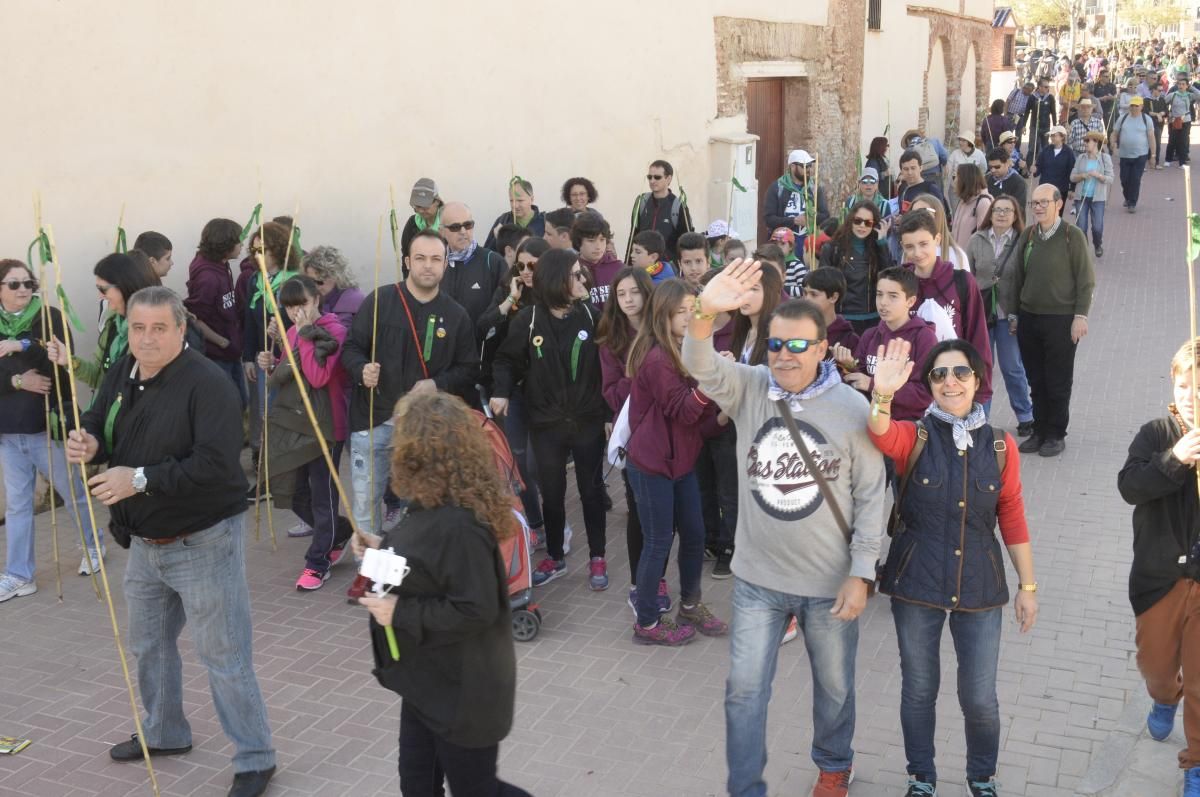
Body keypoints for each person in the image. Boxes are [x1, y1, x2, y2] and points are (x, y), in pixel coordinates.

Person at [683, 262, 885, 797]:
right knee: (744, 693)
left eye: (798, 347)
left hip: (829, 585)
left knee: (835, 689)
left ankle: (834, 765)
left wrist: (862, 572)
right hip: (756, 582)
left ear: (822, 349)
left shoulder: (850, 408)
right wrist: (705, 311)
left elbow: (870, 496)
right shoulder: (751, 387)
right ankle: (745, 786)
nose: (783, 357)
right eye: (775, 346)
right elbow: (699, 365)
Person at [65, 287, 276, 797]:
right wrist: (89, 441)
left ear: (182, 330)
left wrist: (135, 479)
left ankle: (256, 757)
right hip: (145, 541)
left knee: (224, 654)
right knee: (148, 645)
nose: (147, 338)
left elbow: (214, 466)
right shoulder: (124, 368)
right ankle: (164, 733)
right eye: (138, 328)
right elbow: (97, 418)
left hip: (203, 540)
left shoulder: (208, 385)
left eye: (160, 328)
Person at [868, 337, 1037, 797]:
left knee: (979, 698)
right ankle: (921, 778)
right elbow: (880, 432)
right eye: (939, 374)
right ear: (928, 386)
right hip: (916, 582)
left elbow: (1012, 513)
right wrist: (882, 393)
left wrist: (1029, 585)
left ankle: (982, 778)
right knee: (919, 690)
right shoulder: (914, 435)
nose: (950, 382)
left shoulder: (1001, 445)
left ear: (978, 380)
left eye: (961, 372)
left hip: (981, 586)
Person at [354, 391, 532, 797]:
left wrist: (398, 612)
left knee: (477, 790)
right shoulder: (430, 503)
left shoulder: (460, 524)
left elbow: (476, 608)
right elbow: (423, 568)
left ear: (423, 452)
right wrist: (377, 551)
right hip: (426, 682)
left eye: (402, 440)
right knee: (417, 782)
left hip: (463, 693)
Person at [340, 230, 480, 599]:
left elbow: (469, 368)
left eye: (436, 259)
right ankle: (370, 575)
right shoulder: (380, 301)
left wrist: (437, 383)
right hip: (372, 419)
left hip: (424, 429)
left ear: (445, 263)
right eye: (421, 258)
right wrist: (361, 369)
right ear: (407, 261)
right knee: (367, 501)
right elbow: (351, 348)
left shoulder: (456, 314)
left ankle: (405, 573)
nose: (428, 266)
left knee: (416, 506)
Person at [490, 249, 608, 590]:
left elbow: (612, 363)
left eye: (581, 273)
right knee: (553, 493)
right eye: (574, 274)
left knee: (592, 490)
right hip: (545, 424)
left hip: (587, 421)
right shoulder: (527, 319)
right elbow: (506, 361)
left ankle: (597, 556)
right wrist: (501, 391)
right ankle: (555, 556)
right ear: (557, 279)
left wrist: (610, 414)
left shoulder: (590, 314)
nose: (581, 279)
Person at [625, 278, 728, 644]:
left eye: (693, 309)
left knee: (695, 534)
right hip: (652, 465)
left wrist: (718, 388)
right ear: (663, 314)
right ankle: (648, 622)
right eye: (680, 310)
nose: (687, 316)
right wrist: (709, 383)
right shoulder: (656, 358)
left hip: (681, 462)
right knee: (657, 541)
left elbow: (698, 421)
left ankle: (690, 604)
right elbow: (685, 412)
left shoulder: (690, 350)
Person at [1117, 338, 1200, 797]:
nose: (1190, 394)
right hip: (1159, 581)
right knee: (1157, 666)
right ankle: (1165, 697)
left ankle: (1195, 766)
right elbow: (1130, 487)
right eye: (1183, 384)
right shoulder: (1155, 434)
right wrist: (1176, 460)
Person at [0, 259, 105, 597]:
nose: (23, 290)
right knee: (17, 505)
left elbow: (60, 366)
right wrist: (17, 379)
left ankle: (93, 546)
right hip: (7, 430)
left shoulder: (48, 318)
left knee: (71, 491)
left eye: (28, 283)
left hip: (46, 426)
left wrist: (24, 346)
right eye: (13, 284)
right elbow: (20, 377)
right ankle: (20, 575)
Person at [256, 275, 351, 590]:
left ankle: (318, 562)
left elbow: (317, 376)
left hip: (327, 426)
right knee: (293, 490)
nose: (297, 313)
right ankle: (338, 531)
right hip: (296, 425)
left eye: (303, 305)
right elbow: (289, 375)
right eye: (290, 308)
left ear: (317, 300)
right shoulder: (293, 331)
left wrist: (306, 335)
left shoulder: (334, 330)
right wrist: (271, 365)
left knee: (322, 494)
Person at [1007, 184, 1095, 458]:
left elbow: (1086, 280)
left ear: (1058, 204)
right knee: (1036, 378)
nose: (1038, 207)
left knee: (1057, 380)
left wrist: (1080, 316)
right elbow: (1017, 276)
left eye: (1044, 202)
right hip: (1029, 318)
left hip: (1061, 320)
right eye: (1034, 203)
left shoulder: (1072, 235)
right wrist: (1013, 313)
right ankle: (1040, 430)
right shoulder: (1029, 235)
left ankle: (1056, 434)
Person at [597, 266, 667, 612]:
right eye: (620, 294)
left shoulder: (663, 330)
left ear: (646, 292)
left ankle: (659, 577)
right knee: (639, 509)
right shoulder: (612, 340)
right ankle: (641, 584)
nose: (627, 300)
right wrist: (638, 375)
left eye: (633, 292)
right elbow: (611, 395)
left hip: (670, 429)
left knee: (668, 514)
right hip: (636, 433)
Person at [477, 237, 549, 544]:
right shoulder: (510, 289)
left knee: (539, 463)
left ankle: (556, 522)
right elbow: (483, 327)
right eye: (521, 265)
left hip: (547, 391)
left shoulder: (555, 293)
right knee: (518, 461)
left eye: (533, 264)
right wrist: (509, 300)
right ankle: (536, 524)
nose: (527, 271)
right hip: (512, 388)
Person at [897, 209, 993, 404]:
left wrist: (981, 393)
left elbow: (978, 337)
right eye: (910, 246)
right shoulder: (898, 284)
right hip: (910, 393)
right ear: (902, 247)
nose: (917, 253)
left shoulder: (961, 281)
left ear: (938, 239)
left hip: (953, 388)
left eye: (923, 244)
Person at [965, 196, 1035, 436]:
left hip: (1009, 316)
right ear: (990, 214)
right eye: (997, 210)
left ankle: (1026, 415)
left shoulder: (1023, 241)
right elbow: (968, 277)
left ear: (1016, 216)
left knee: (1012, 367)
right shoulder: (976, 239)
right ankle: (981, 419)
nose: (1002, 214)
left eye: (1007, 210)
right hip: (982, 315)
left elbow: (1028, 277)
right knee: (982, 368)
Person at [834, 267, 937, 423]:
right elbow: (859, 380)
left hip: (905, 426)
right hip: (868, 419)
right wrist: (849, 367)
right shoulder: (870, 335)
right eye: (879, 294)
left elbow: (924, 394)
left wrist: (874, 385)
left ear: (910, 301)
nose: (883, 303)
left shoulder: (924, 337)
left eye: (893, 296)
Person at [183, 218, 244, 394]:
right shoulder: (208, 278)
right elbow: (196, 317)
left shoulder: (220, 263)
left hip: (230, 349)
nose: (242, 246)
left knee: (241, 401)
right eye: (238, 242)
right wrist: (223, 342)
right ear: (225, 245)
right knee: (230, 401)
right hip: (218, 354)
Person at [818, 200, 892, 334]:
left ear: (874, 224)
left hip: (873, 318)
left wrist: (882, 242)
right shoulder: (832, 248)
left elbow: (889, 276)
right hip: (842, 318)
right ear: (850, 220)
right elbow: (823, 284)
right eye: (858, 221)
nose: (862, 226)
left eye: (868, 222)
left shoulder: (878, 247)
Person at [439, 202, 508, 336]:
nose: (463, 231)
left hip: (481, 350)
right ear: (441, 231)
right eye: (455, 227)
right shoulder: (436, 263)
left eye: (468, 225)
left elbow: (506, 310)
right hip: (444, 348)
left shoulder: (492, 261)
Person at [764, 149, 829, 257]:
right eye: (804, 166)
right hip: (784, 246)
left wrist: (810, 219)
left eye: (809, 166)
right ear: (793, 167)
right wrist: (793, 221)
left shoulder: (814, 189)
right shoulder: (777, 188)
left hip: (808, 245)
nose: (808, 169)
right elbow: (769, 219)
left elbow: (825, 215)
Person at [626, 159, 694, 260]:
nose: (652, 181)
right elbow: (633, 235)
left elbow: (687, 240)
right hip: (642, 266)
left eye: (657, 177)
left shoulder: (678, 205)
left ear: (668, 178)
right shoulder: (641, 201)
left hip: (666, 268)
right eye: (649, 177)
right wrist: (627, 264)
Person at [1069, 131, 1115, 256]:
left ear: (1096, 142)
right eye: (1085, 140)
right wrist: (1082, 176)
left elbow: (1111, 178)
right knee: (1081, 227)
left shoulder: (1105, 159)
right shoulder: (1081, 158)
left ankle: (1098, 244)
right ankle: (1083, 248)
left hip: (1098, 199)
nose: (1085, 143)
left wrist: (1099, 176)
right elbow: (1072, 177)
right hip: (1081, 197)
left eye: (1088, 141)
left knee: (1097, 227)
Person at [301, 245, 365, 331]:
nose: (314, 287)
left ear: (336, 277)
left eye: (319, 282)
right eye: (309, 281)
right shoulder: (310, 300)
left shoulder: (356, 304)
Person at [1111, 94, 1157, 212]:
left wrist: (1153, 155)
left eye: (1137, 105)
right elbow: (1114, 133)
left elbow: (1151, 137)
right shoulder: (1123, 118)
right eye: (1132, 105)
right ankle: (1127, 197)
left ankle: (1132, 203)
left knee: (1135, 179)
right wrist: (1113, 143)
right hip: (1125, 155)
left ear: (1141, 106)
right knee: (1124, 179)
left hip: (1140, 155)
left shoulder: (1147, 119)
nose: (1134, 108)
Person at [803, 267, 860, 357]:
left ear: (834, 297)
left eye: (814, 294)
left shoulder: (849, 340)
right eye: (805, 293)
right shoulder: (799, 331)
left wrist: (848, 366)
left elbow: (857, 369)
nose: (807, 299)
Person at [573, 210, 624, 306]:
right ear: (579, 242)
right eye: (591, 240)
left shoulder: (619, 269)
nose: (598, 246)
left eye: (602, 240)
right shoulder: (572, 270)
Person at [908, 194, 970, 272]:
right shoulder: (908, 252)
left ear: (938, 215)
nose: (918, 218)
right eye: (913, 214)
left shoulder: (956, 254)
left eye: (924, 212)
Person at [484, 178, 546, 252]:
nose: (515, 206)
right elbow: (488, 253)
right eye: (511, 200)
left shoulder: (544, 222)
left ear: (532, 199)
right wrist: (498, 239)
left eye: (520, 200)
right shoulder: (503, 221)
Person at [1032, 125, 1076, 216]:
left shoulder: (1069, 152)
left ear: (1062, 137)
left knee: (1057, 214)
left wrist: (1072, 189)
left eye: (1054, 135)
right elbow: (1038, 167)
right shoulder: (1046, 150)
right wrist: (1034, 169)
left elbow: (1072, 171)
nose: (1051, 137)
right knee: (1044, 213)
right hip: (1045, 187)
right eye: (1051, 135)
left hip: (1060, 189)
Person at [950, 164, 993, 252]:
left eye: (956, 177)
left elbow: (984, 239)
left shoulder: (983, 202)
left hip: (971, 261)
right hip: (959, 257)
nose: (954, 181)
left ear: (966, 180)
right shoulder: (963, 201)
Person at [399, 178, 443, 259]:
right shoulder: (412, 223)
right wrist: (408, 272)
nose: (421, 211)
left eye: (426, 206)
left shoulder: (448, 224)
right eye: (418, 206)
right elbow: (406, 254)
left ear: (437, 201)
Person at [896, 150, 948, 215]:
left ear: (920, 168)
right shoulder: (902, 188)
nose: (910, 172)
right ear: (901, 171)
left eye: (913, 168)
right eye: (906, 169)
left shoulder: (930, 189)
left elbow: (940, 214)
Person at [1165, 71, 1200, 166]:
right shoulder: (1173, 94)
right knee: (1172, 141)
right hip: (1174, 120)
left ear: (1186, 86)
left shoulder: (1189, 95)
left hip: (1186, 121)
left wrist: (1191, 87)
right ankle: (1168, 160)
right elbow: (1163, 102)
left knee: (1183, 141)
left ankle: (1182, 162)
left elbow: (1199, 95)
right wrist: (1168, 114)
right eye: (1179, 84)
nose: (1181, 86)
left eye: (1183, 84)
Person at [945, 133, 987, 212]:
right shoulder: (955, 153)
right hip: (956, 188)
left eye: (964, 140)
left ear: (969, 142)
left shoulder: (979, 154)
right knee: (956, 211)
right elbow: (949, 169)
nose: (960, 142)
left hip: (972, 190)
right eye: (960, 140)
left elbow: (983, 169)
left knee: (970, 212)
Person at [1006, 81, 1035, 145]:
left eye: (1031, 91)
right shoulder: (1016, 91)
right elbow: (1007, 102)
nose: (1030, 92)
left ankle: (1017, 150)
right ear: (1025, 88)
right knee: (1008, 133)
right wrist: (1005, 115)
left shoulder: (1030, 96)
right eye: (1029, 91)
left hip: (1021, 116)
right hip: (1011, 115)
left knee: (1018, 135)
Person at [1148, 82, 1169, 166]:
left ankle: (1155, 161)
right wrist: (1157, 114)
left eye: (1162, 90)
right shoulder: (1147, 100)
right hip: (1150, 123)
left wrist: (1161, 114)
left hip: (1159, 124)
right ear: (1153, 90)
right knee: (1149, 142)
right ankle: (1151, 160)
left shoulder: (1162, 99)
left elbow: (1166, 110)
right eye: (1159, 90)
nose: (1161, 92)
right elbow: (1146, 111)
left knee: (1157, 142)